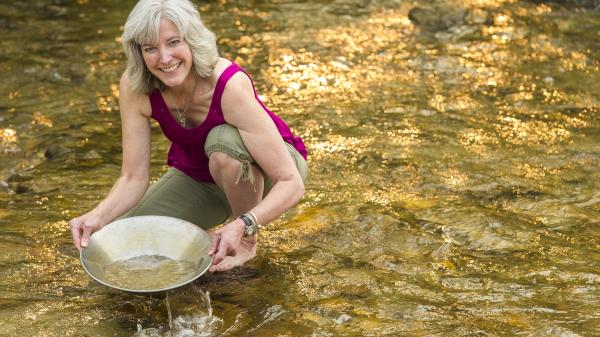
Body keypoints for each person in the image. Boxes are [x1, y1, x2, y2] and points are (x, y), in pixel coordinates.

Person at [69, 0, 308, 272]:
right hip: (201, 174)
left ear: (192, 40)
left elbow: (291, 182)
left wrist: (244, 225)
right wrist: (97, 216)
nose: (165, 58)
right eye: (151, 48)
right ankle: (216, 236)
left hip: (269, 170)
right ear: (139, 53)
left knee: (221, 142)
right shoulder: (135, 87)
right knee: (125, 243)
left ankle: (244, 244)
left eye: (173, 42)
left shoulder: (227, 85)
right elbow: (133, 177)